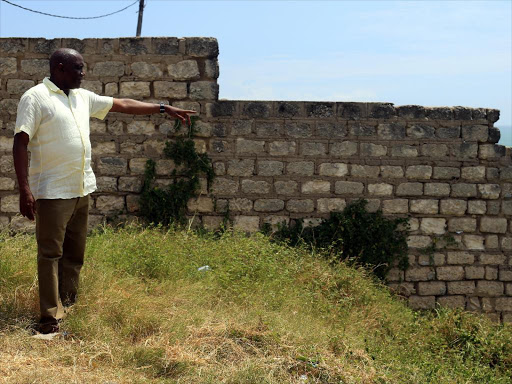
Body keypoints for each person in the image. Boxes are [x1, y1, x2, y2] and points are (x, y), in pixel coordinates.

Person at [13, 48, 195, 334]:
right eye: (78, 68)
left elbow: (122, 103)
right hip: (52, 191)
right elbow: (20, 143)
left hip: (81, 187)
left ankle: (69, 306)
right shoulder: (35, 98)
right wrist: (25, 190)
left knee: (75, 255)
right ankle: (49, 318)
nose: (83, 74)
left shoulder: (82, 97)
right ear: (59, 68)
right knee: (50, 254)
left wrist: (162, 108)